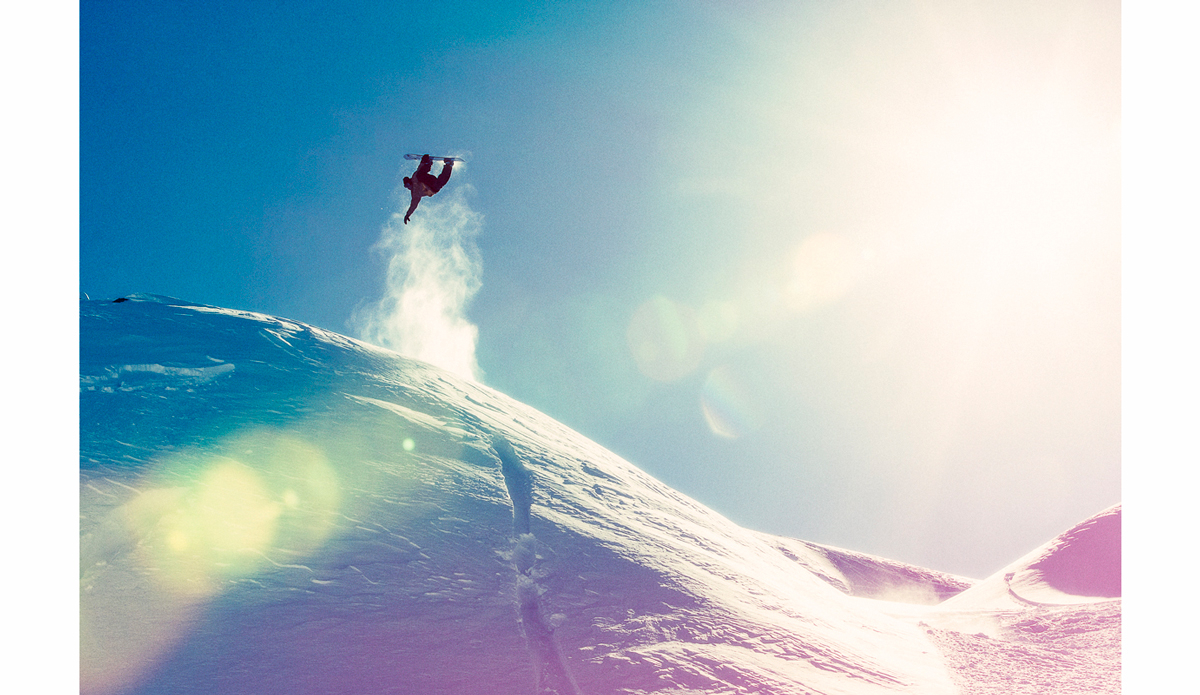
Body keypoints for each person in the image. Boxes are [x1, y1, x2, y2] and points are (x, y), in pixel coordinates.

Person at [403, 155, 455, 224]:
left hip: (429, 180)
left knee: (419, 175)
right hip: (432, 188)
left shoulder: (414, 178)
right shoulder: (415, 193)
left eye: (407, 185)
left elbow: (420, 169)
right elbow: (413, 205)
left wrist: (424, 161)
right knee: (440, 183)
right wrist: (408, 214)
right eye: (406, 186)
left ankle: (428, 163)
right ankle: (448, 165)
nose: (408, 187)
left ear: (409, 181)